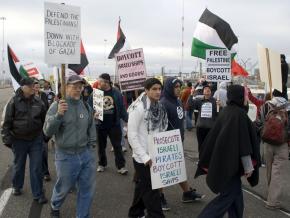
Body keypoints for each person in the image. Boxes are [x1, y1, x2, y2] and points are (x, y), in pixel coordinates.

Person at [195, 84, 260, 218]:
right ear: (240, 96)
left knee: (236, 198)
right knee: (227, 197)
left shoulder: (227, 111)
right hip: (229, 166)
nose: (247, 97)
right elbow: (244, 144)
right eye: (246, 95)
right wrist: (248, 167)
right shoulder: (238, 115)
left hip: (224, 163)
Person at [43, 75, 97, 218]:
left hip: (85, 154)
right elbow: (47, 131)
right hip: (65, 156)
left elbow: (90, 126)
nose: (78, 90)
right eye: (74, 87)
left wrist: (91, 145)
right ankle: (55, 205)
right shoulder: (57, 106)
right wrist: (59, 115)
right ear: (66, 88)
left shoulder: (85, 106)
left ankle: (82, 215)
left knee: (86, 189)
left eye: (80, 87)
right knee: (64, 187)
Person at [159, 77, 205, 211]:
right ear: (168, 88)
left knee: (177, 169)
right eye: (175, 87)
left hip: (178, 141)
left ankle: (187, 193)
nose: (178, 88)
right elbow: (160, 126)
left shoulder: (177, 100)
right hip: (166, 143)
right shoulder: (163, 103)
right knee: (163, 171)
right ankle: (159, 196)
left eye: (179, 86)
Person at [1, 77, 47, 204]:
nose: (34, 88)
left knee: (36, 167)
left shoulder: (39, 101)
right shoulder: (13, 101)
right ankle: (17, 186)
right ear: (23, 87)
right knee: (18, 165)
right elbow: (7, 122)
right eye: (31, 86)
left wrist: (44, 136)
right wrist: (7, 139)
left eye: (34, 85)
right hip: (18, 140)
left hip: (35, 140)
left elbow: (44, 120)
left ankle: (38, 194)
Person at [128, 78, 168, 218]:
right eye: (154, 89)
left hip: (155, 154)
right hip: (142, 158)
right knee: (152, 191)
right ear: (146, 90)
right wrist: (144, 157)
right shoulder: (137, 108)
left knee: (142, 187)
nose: (158, 92)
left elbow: (161, 129)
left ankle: (135, 213)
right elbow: (131, 135)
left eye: (159, 89)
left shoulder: (159, 106)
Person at [88, 73, 128, 175]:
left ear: (108, 82)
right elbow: (88, 108)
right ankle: (102, 163)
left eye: (103, 82)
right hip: (100, 124)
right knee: (101, 146)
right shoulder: (95, 94)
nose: (100, 83)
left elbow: (122, 108)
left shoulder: (116, 93)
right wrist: (92, 114)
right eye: (99, 81)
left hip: (114, 124)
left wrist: (128, 120)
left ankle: (121, 166)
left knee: (117, 146)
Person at [257, 89, 289, 209]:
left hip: (267, 143)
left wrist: (263, 133)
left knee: (270, 170)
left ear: (273, 94)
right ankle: (273, 201)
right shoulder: (288, 107)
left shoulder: (266, 105)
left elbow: (259, 121)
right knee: (278, 172)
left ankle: (271, 193)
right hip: (282, 144)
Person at [188, 85, 219, 156]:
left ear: (211, 92)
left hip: (211, 128)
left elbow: (219, 114)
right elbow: (190, 105)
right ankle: (201, 159)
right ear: (203, 92)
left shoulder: (215, 101)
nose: (207, 90)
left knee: (210, 145)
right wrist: (191, 94)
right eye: (205, 89)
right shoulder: (199, 101)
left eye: (209, 89)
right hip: (200, 127)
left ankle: (209, 161)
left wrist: (220, 107)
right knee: (201, 145)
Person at [34, 79, 51, 181]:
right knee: (35, 154)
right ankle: (37, 173)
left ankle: (46, 172)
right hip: (32, 131)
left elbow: (47, 109)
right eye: (34, 87)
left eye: (37, 87)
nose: (36, 88)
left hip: (43, 128)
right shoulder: (28, 98)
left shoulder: (43, 95)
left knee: (44, 152)